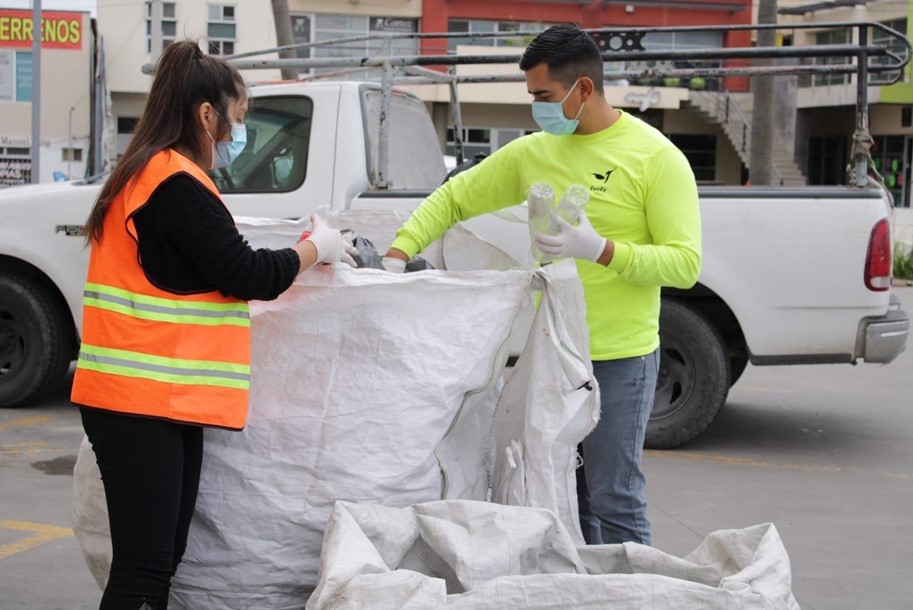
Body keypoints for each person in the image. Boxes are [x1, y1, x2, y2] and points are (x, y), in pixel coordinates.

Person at [383, 25, 702, 546]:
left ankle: (636, 598)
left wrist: (599, 249)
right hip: (554, 354)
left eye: (543, 96)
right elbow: (453, 198)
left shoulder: (655, 158)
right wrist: (398, 252)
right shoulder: (534, 152)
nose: (536, 108)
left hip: (619, 359)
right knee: (564, 494)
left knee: (614, 495)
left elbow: (684, 264)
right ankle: (589, 594)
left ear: (583, 89)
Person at [70, 40, 356, 610]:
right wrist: (315, 248)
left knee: (160, 562)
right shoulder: (172, 181)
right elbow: (246, 272)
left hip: (158, 402)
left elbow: (208, 267)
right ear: (207, 115)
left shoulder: (152, 173)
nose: (236, 133)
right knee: (142, 570)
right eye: (240, 119)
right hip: (137, 404)